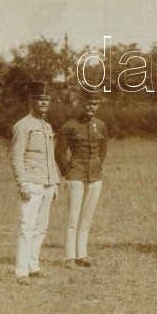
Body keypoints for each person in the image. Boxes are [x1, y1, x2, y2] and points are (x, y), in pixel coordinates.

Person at [9, 81, 61, 285]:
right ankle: (21, 271)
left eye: (47, 99)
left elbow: (49, 157)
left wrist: (55, 183)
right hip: (31, 183)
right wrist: (22, 182)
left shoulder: (47, 126)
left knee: (41, 227)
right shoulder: (22, 126)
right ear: (31, 101)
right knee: (26, 226)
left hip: (47, 183)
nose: (44, 103)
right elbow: (16, 156)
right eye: (40, 99)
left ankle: (33, 265)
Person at [55, 89, 108, 269]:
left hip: (95, 176)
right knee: (73, 217)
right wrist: (67, 171)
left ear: (98, 105)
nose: (91, 107)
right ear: (82, 103)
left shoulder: (100, 126)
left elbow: (103, 150)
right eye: (88, 103)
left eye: (94, 104)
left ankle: (82, 254)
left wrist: (98, 165)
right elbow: (59, 152)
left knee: (86, 218)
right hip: (75, 175)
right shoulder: (69, 126)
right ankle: (69, 257)